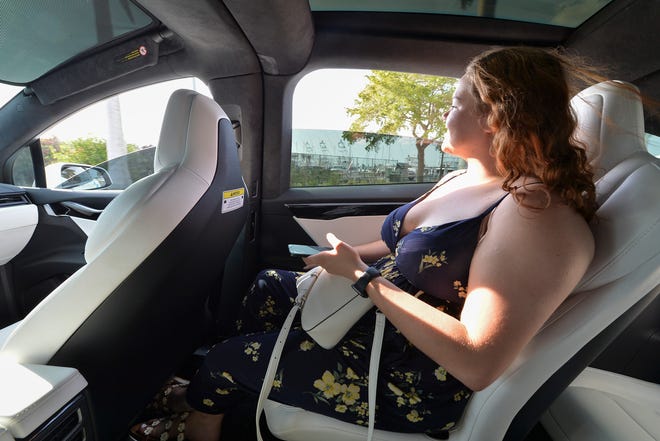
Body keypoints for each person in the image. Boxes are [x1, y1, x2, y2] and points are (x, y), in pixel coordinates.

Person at [130, 46, 598, 441]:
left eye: (455, 103)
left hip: (410, 377)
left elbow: (477, 361)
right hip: (377, 326)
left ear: (494, 115)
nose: (445, 113)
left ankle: (199, 410)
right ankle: (228, 392)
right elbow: (408, 246)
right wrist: (344, 261)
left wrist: (362, 279)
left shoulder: (533, 216)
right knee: (269, 284)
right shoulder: (464, 178)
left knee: (227, 359)